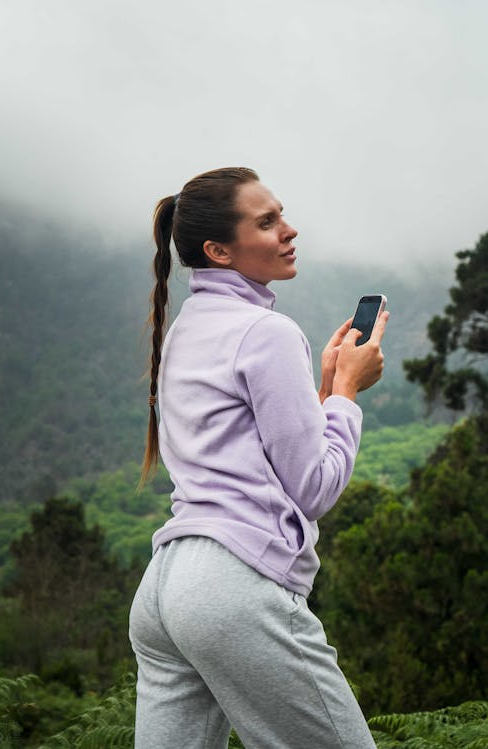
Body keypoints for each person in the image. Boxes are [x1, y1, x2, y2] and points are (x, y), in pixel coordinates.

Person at [129, 167, 388, 749]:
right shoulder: (266, 332)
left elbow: (262, 454)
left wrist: (322, 390)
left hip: (164, 592)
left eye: (282, 215)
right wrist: (346, 396)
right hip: (232, 588)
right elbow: (314, 488)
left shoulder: (186, 328)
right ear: (219, 250)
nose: (289, 230)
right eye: (267, 222)